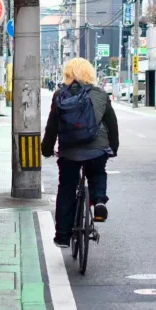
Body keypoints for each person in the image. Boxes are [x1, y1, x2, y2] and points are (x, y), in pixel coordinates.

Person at [42, 57, 119, 248]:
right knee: (97, 172)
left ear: (67, 74)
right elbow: (112, 124)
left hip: (69, 150)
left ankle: (62, 236)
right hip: (97, 148)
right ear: (90, 73)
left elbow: (52, 126)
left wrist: (47, 148)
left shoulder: (60, 94)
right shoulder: (100, 94)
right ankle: (99, 200)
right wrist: (113, 148)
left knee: (67, 186)